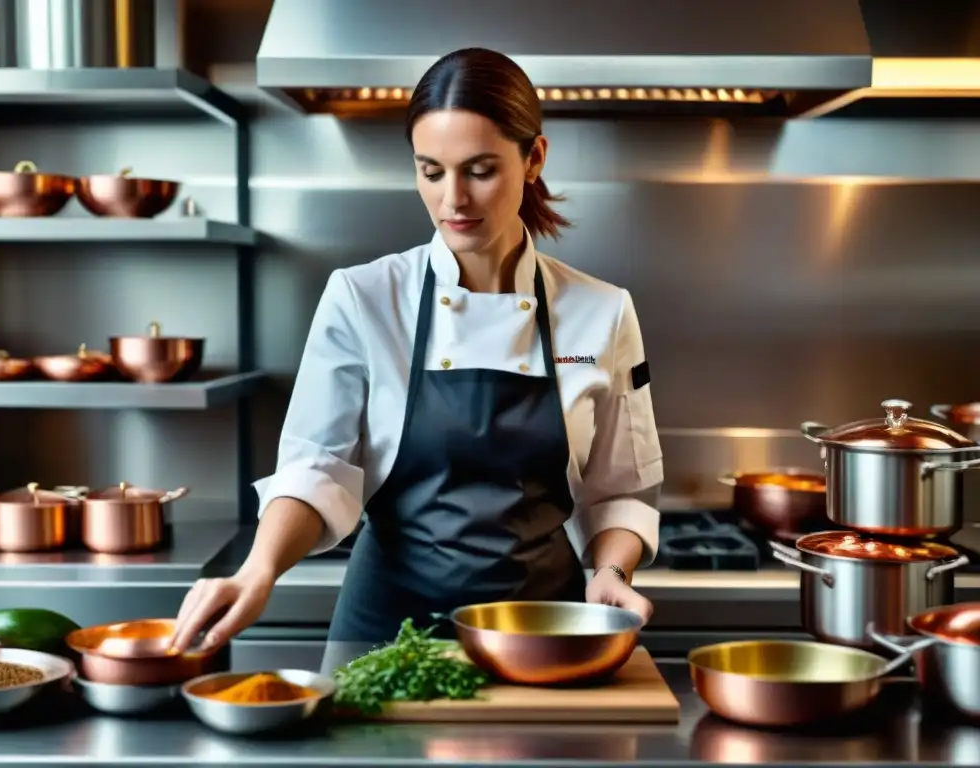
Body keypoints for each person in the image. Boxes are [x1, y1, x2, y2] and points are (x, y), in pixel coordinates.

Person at [170, 48, 663, 672]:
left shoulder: (602, 312)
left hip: (542, 635)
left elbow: (620, 489)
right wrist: (259, 571)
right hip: (384, 634)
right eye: (431, 171)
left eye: (480, 170)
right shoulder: (364, 297)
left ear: (534, 158)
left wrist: (612, 570)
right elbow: (315, 469)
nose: (453, 198)